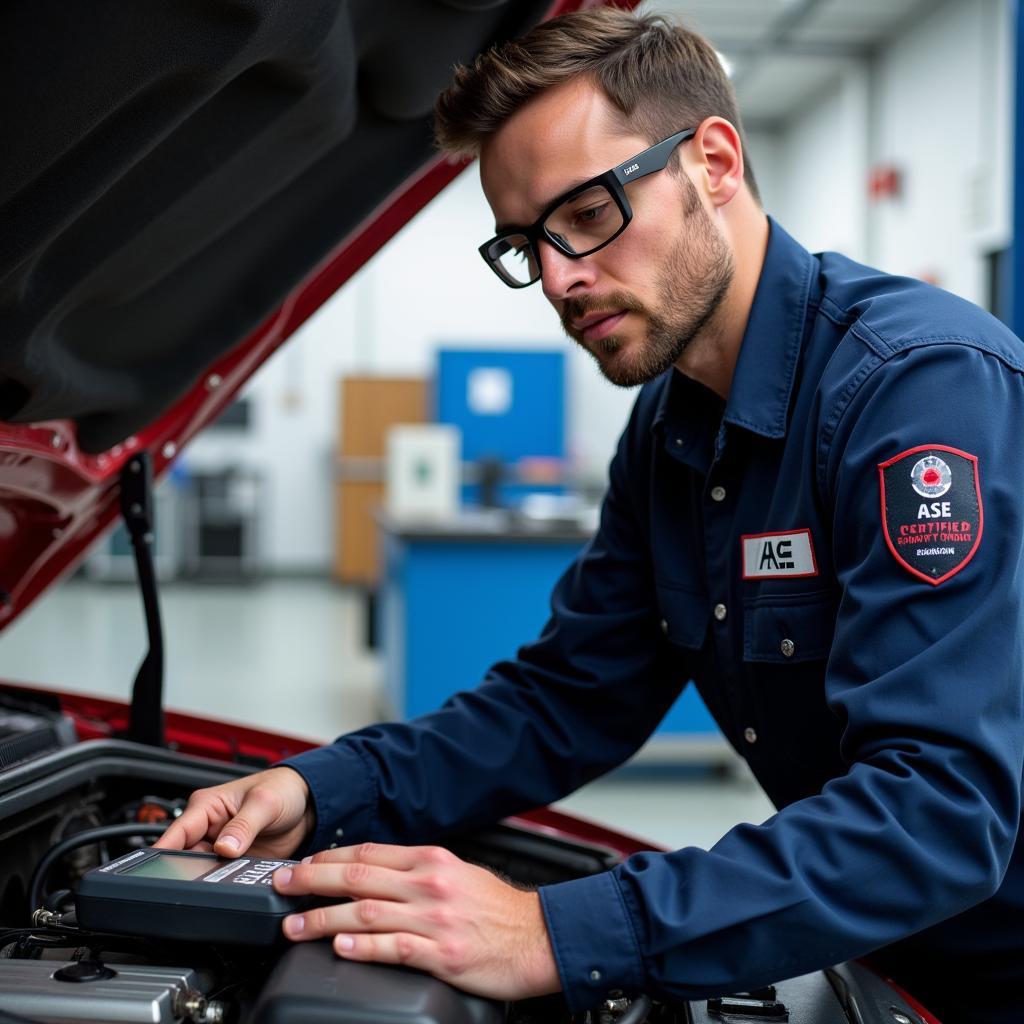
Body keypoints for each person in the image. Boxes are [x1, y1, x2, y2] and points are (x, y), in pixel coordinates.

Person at [156, 10, 1024, 1023]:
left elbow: (937, 813)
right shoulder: (669, 431)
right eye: (527, 244)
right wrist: (322, 788)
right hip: (882, 955)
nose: (561, 278)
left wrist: (553, 932)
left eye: (587, 213)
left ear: (712, 160)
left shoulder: (915, 390)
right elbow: (569, 695)